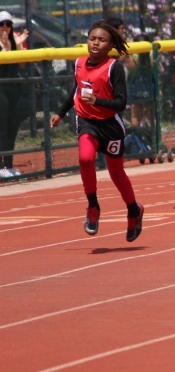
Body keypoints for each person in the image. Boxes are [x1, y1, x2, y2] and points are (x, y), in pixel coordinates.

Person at [50, 20, 145, 241]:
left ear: (110, 45)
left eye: (101, 40)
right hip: (87, 122)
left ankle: (133, 210)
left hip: (110, 125)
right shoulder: (79, 64)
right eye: (92, 38)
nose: (95, 43)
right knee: (85, 158)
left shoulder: (114, 68)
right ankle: (93, 206)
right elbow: (76, 89)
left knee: (116, 173)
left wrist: (98, 100)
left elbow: (121, 103)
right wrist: (61, 112)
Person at [0, 11, 29, 177]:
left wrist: (18, 46)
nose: (5, 27)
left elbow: (22, 65)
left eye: (8, 24)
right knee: (1, 128)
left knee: (12, 128)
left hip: (13, 89)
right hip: (0, 89)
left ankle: (8, 165)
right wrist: (5, 49)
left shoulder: (15, 40)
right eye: (2, 24)